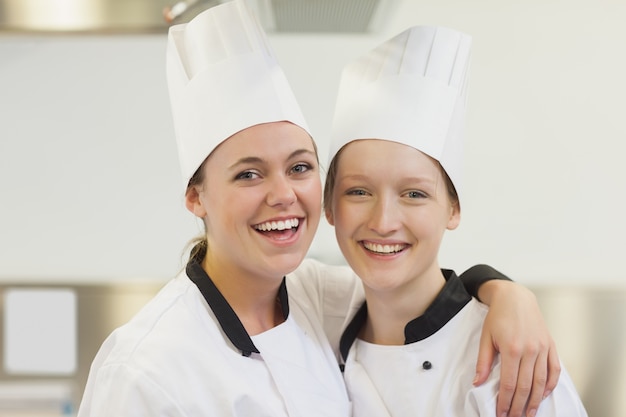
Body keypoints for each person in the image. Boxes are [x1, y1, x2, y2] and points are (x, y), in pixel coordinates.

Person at [77, 2, 560, 416]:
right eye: (248, 173)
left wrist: (505, 293)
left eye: (299, 166)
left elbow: (417, 287)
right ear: (195, 195)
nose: (282, 194)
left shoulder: (318, 297)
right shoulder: (144, 369)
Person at [323, 25, 588, 416]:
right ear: (329, 206)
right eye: (358, 192)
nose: (383, 221)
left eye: (414, 194)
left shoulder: (511, 362)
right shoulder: (319, 326)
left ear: (453, 208)